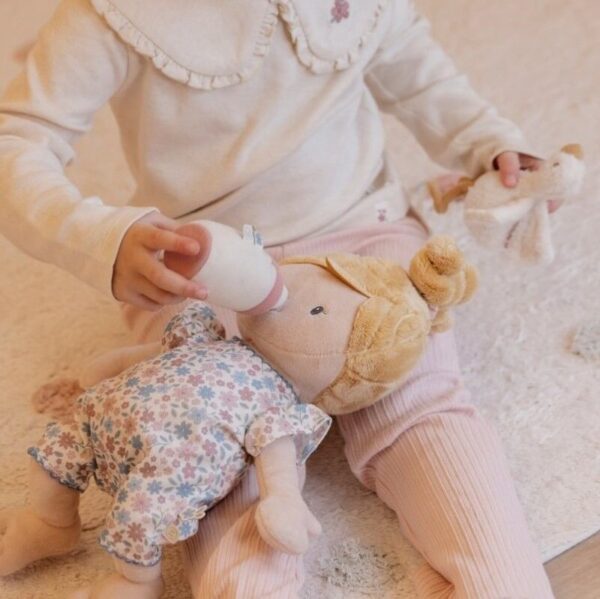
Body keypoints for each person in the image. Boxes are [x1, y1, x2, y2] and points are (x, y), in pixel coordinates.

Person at [0, 0, 555, 596]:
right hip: (206, 268)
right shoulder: (109, 16)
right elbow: (19, 142)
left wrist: (488, 144)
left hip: (363, 241)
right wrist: (103, 239)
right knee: (211, 463)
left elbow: (416, 70)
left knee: (421, 407)